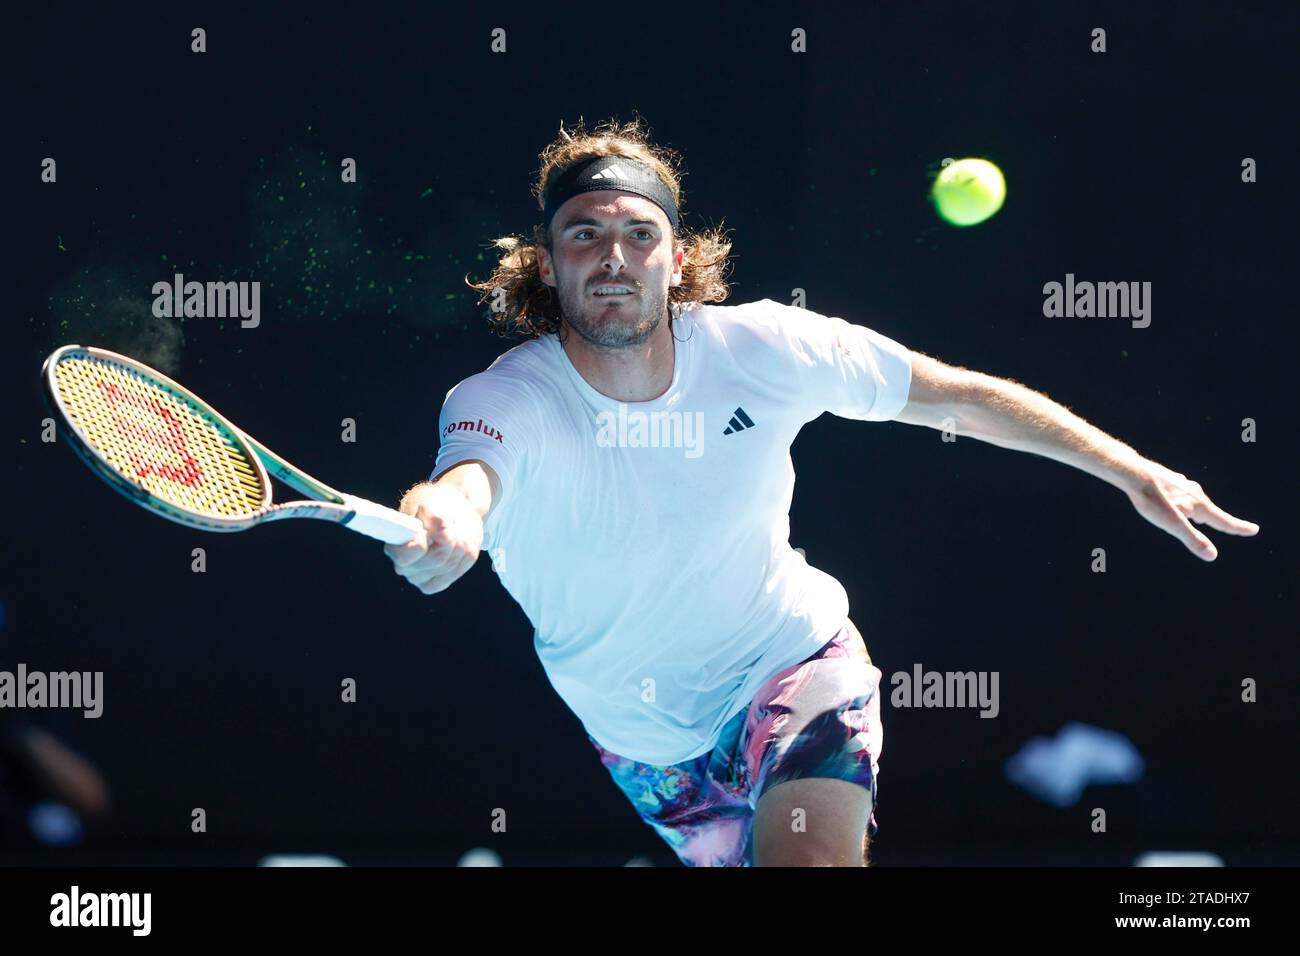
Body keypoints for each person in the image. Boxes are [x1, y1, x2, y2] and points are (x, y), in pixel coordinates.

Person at [385, 117, 1259, 867]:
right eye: (584, 235)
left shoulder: (767, 349)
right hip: (645, 749)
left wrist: (1130, 470)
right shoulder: (507, 397)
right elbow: (466, 483)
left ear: (677, 259)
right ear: (545, 264)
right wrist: (446, 517)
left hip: (791, 662)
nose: (613, 258)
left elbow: (956, 395)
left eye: (639, 234)